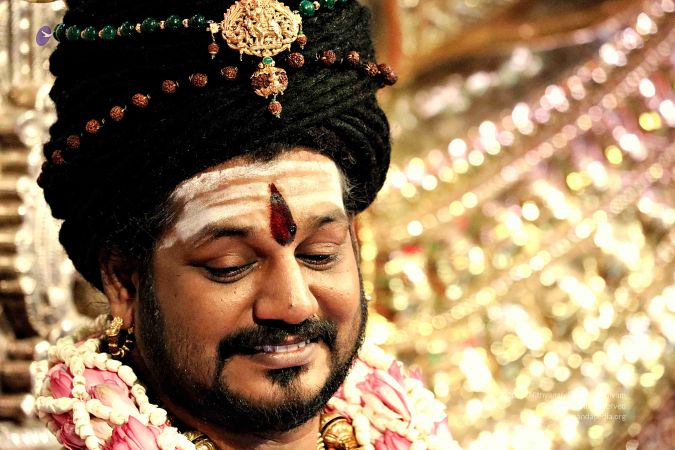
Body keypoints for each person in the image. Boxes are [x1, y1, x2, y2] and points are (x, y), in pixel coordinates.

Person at [32, 0, 460, 449]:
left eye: (320, 255)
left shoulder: (408, 430)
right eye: (230, 265)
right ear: (124, 281)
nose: (293, 305)